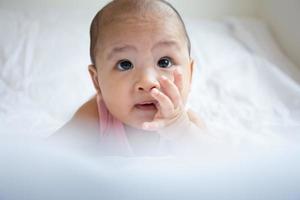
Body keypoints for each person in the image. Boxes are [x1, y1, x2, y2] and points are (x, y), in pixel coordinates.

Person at [53, 0, 207, 156]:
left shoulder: (188, 125)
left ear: (191, 73)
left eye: (164, 62)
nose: (148, 82)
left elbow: (216, 164)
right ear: (97, 82)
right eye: (125, 64)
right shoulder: (96, 116)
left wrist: (181, 131)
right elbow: (49, 155)